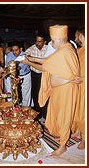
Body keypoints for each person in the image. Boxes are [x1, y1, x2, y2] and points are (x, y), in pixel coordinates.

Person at [20, 25, 81, 156]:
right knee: (57, 115)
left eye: (53, 40)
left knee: (64, 116)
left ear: (59, 40)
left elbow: (45, 67)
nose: (51, 43)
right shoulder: (63, 50)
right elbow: (49, 62)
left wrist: (30, 63)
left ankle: (63, 145)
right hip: (58, 90)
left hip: (65, 91)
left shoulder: (66, 51)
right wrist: (31, 59)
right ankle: (62, 135)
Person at [25, 32, 48, 120]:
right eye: (36, 41)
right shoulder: (32, 48)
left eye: (40, 41)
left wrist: (33, 61)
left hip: (44, 75)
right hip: (34, 75)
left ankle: (45, 113)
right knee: (35, 93)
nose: (37, 43)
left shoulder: (48, 49)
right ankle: (37, 113)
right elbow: (25, 55)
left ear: (44, 42)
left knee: (44, 93)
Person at [6, 41, 31, 106]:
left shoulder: (25, 55)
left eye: (16, 50)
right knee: (12, 93)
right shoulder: (9, 55)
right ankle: (12, 109)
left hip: (25, 76)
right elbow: (7, 67)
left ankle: (26, 110)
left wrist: (10, 68)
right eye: (13, 50)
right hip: (13, 76)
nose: (14, 52)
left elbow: (18, 68)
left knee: (26, 95)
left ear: (21, 49)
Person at [72, 27, 85, 149]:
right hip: (79, 85)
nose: (75, 39)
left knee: (84, 112)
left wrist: (84, 79)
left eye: (76, 36)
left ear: (81, 36)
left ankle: (85, 139)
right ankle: (79, 131)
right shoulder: (80, 50)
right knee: (77, 109)